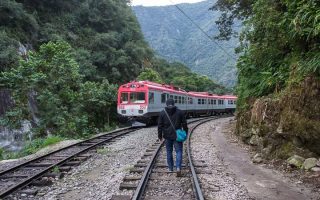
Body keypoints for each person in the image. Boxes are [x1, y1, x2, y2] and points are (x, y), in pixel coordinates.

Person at [158, 98, 188, 176]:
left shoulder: (162, 113)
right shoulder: (180, 112)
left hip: (167, 136)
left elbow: (160, 126)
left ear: (166, 104)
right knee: (179, 151)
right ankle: (178, 167)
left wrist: (160, 137)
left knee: (169, 152)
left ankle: (171, 168)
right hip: (177, 136)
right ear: (174, 104)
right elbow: (185, 124)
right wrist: (185, 133)